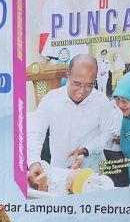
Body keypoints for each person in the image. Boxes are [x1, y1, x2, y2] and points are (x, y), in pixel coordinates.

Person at [26, 53, 119, 187]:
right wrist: (34, 162)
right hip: (58, 173)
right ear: (67, 77)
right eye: (77, 84)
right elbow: (35, 133)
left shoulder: (101, 101)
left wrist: (86, 150)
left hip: (91, 173)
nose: (82, 90)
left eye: (89, 85)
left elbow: (108, 133)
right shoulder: (51, 99)